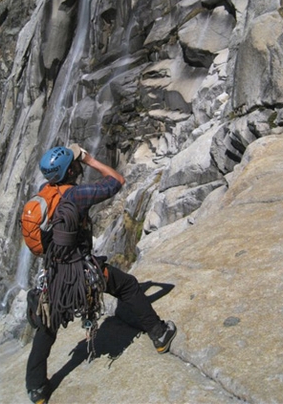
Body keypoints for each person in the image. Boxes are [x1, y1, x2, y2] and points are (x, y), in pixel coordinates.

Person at [26, 144, 177, 404]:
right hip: (82, 272)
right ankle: (160, 334)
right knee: (128, 286)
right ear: (72, 169)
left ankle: (37, 388)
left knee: (47, 327)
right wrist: (90, 159)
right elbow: (117, 181)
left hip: (55, 278)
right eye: (75, 164)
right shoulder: (76, 195)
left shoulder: (44, 196)